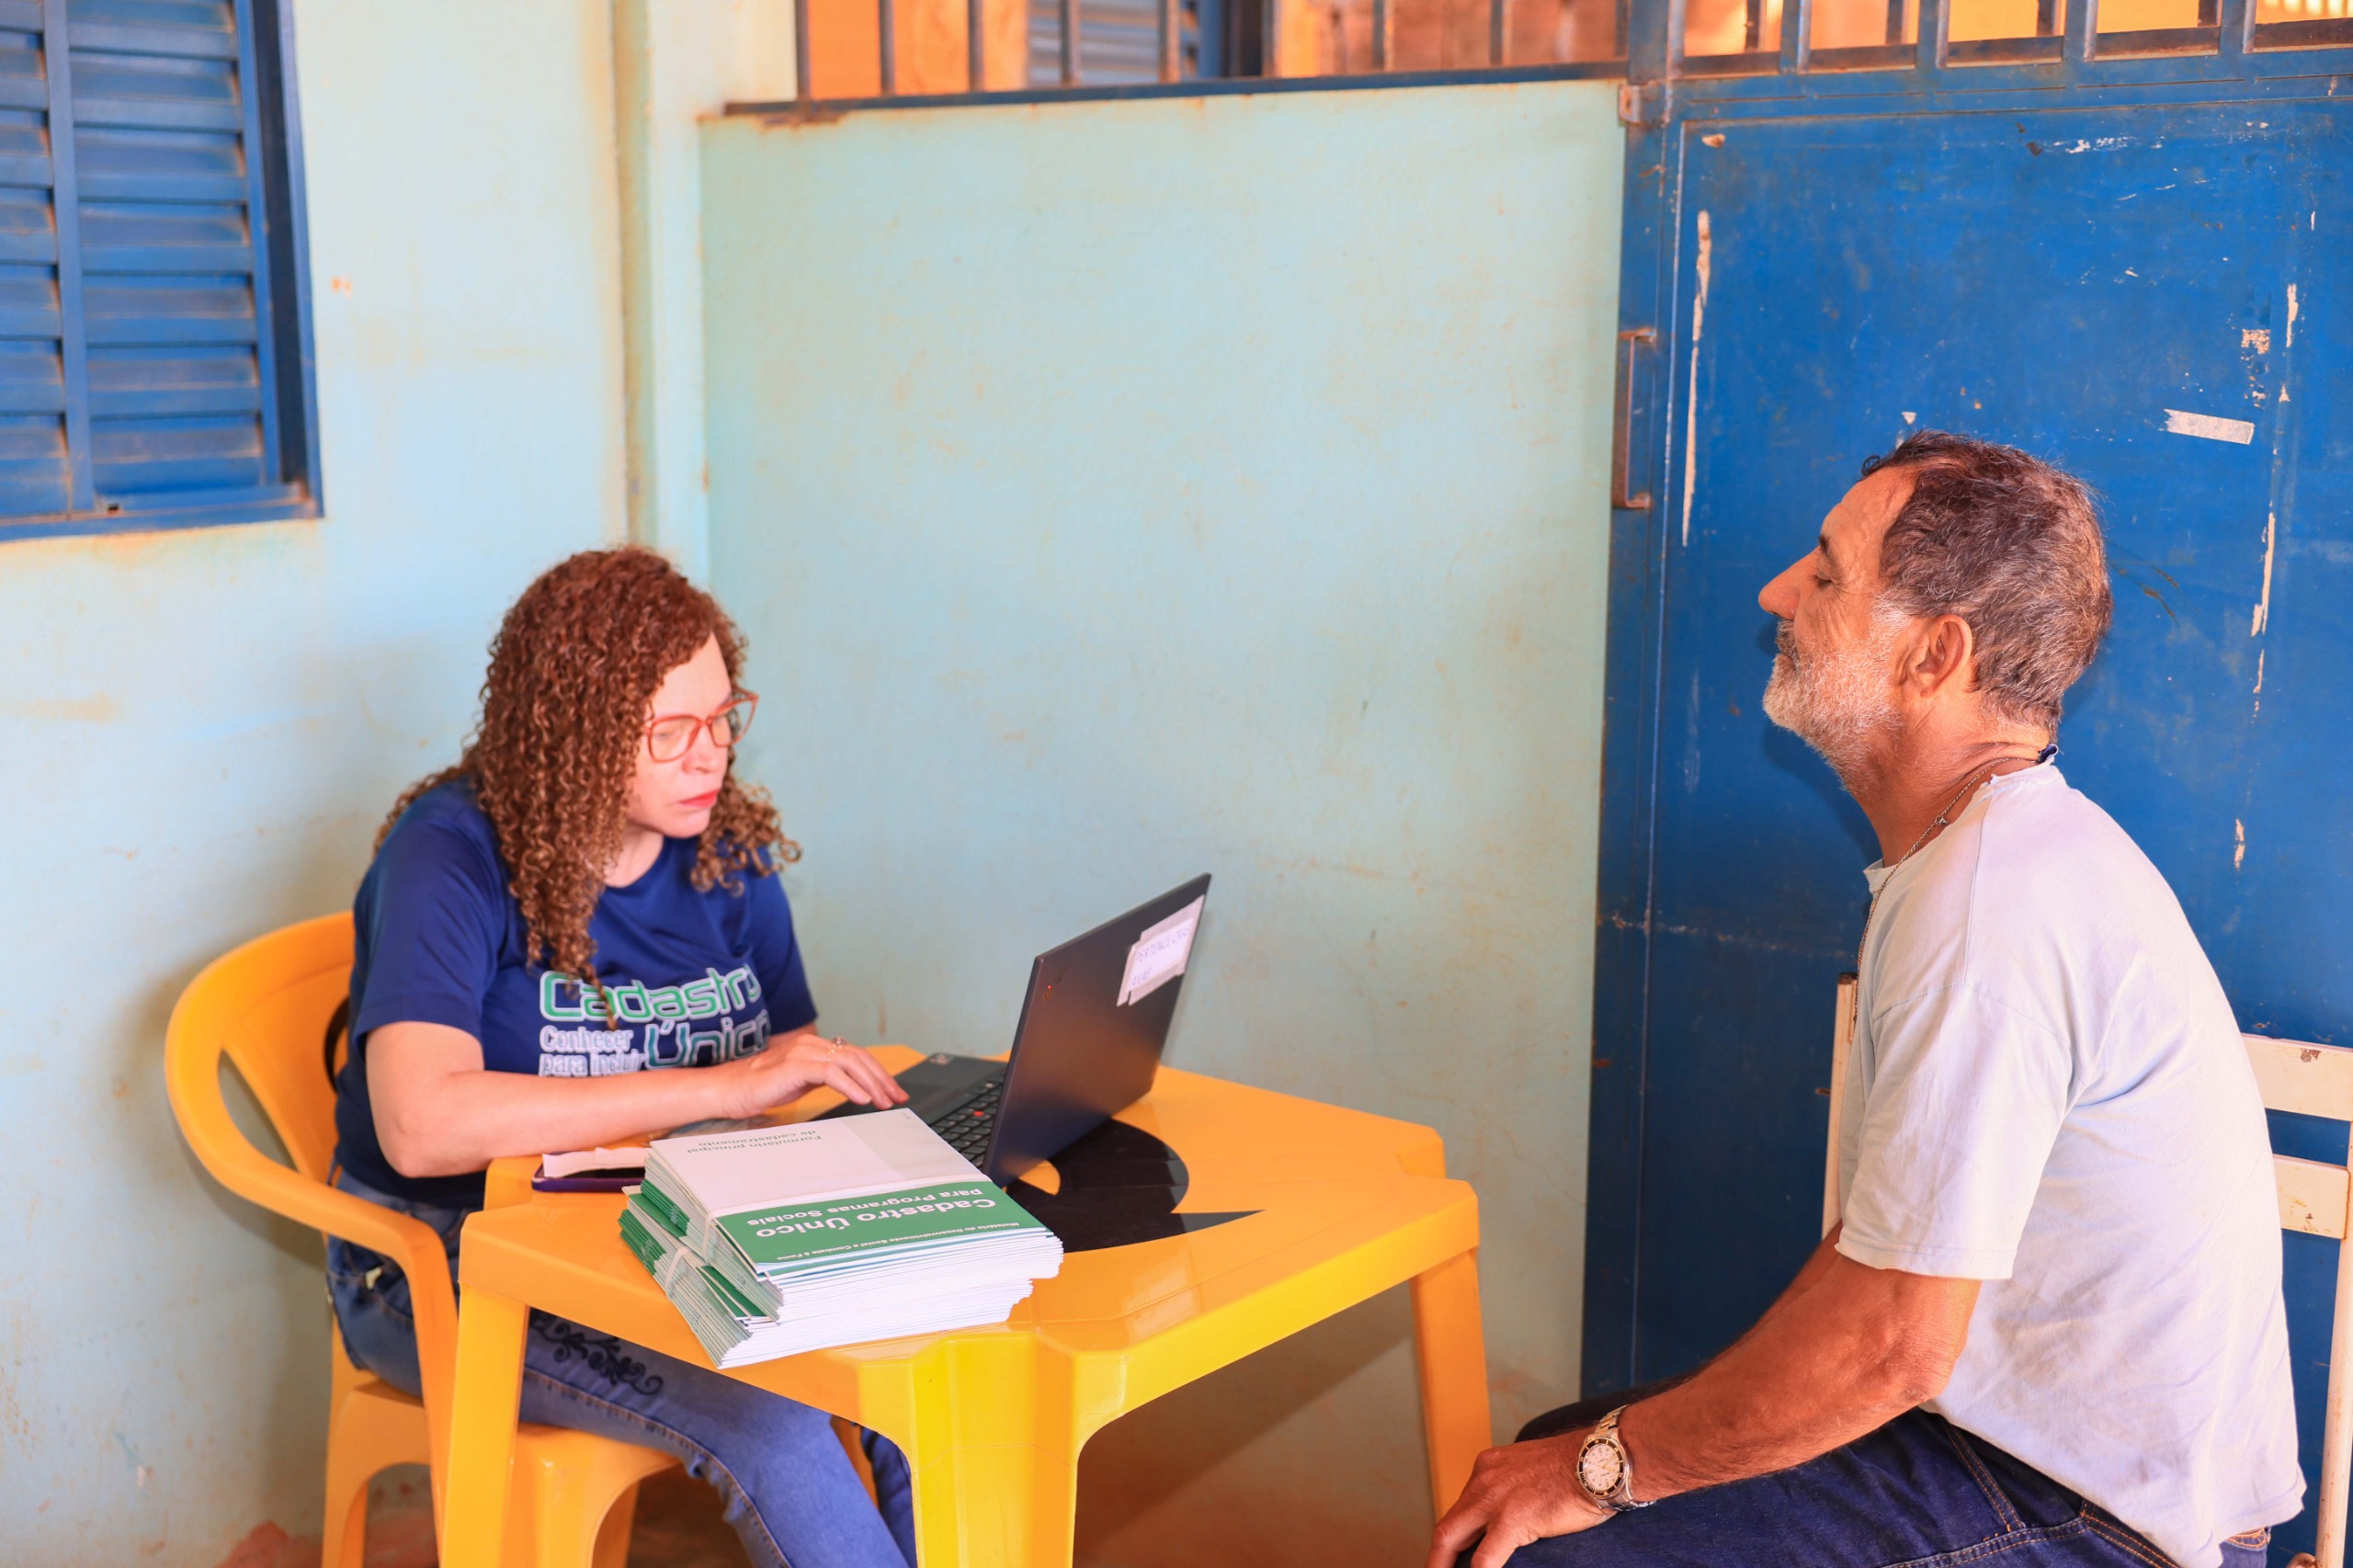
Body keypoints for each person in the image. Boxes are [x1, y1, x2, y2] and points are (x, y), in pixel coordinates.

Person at [1431, 432, 2301, 1568]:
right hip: (2006, 1447)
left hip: (2109, 1526)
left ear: (1933, 655)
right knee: (1560, 1451)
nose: (1777, 591)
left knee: (1547, 1539)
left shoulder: (1993, 904)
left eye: (1828, 573)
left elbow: (1895, 1347)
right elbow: (1876, 1260)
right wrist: (1597, 1453)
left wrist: (1606, 1468)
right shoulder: (1980, 854)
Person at [327, 546, 918, 1568]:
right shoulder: (449, 855)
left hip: (648, 1233)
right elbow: (419, 1125)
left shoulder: (724, 849)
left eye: (724, 717)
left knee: (905, 1370)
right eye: (671, 731)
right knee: (772, 1421)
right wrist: (718, 1085)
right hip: (439, 1259)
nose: (711, 756)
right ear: (578, 734)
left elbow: (778, 1060)